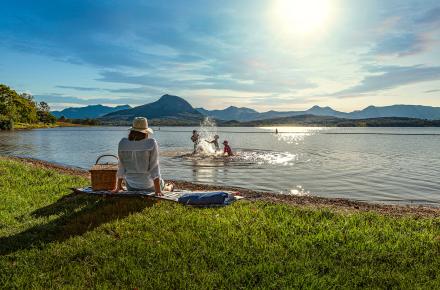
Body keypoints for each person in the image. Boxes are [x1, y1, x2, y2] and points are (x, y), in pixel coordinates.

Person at [112, 117, 173, 196]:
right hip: (149, 186)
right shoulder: (151, 143)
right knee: (163, 183)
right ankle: (169, 187)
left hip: (131, 186)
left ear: (132, 130)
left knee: (161, 183)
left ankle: (166, 186)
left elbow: (121, 166)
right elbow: (154, 167)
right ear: (145, 132)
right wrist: (157, 190)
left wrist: (118, 186)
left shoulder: (122, 143)